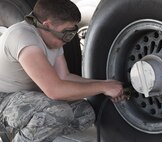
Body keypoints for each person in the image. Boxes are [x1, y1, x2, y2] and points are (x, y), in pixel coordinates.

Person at [0, 0, 125, 141]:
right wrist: (103, 87)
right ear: (47, 25)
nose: (68, 39)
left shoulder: (51, 37)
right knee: (56, 112)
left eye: (72, 33)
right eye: (66, 33)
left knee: (84, 113)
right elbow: (55, 91)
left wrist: (107, 84)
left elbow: (64, 77)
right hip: (4, 99)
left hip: (25, 98)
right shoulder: (23, 37)